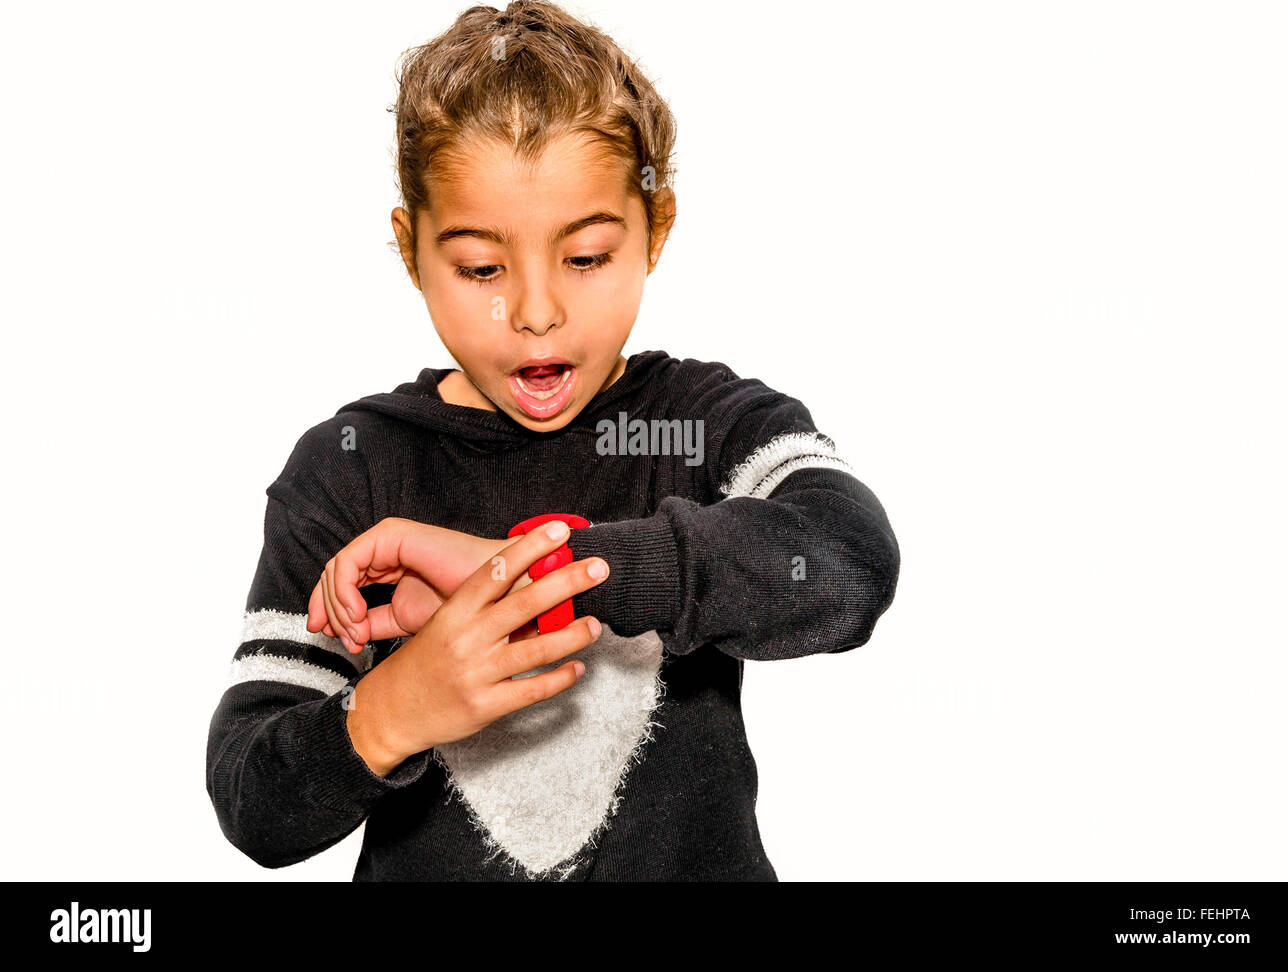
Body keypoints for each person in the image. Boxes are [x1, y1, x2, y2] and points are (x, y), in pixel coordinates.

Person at [206, 0, 900, 881]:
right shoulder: (350, 469)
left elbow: (848, 569)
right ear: (411, 248)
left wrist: (543, 572)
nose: (534, 311)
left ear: (657, 232)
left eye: (585, 257)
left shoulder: (709, 421)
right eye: (481, 269)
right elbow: (252, 805)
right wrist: (395, 708)